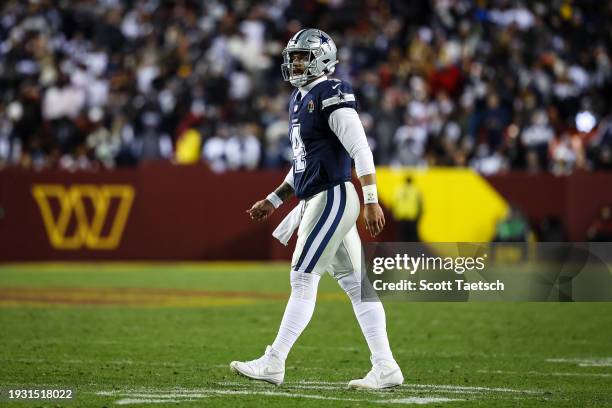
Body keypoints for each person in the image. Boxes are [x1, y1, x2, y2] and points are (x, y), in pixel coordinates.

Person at [229, 28, 403, 389]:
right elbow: (304, 163)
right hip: (321, 196)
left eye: (302, 56)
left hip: (333, 196)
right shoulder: (300, 97)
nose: (294, 62)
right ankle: (386, 366)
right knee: (358, 288)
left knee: (303, 277)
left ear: (322, 58)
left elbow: (361, 150)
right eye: (293, 56)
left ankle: (274, 361)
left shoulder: (330, 93)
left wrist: (372, 200)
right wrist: (274, 199)